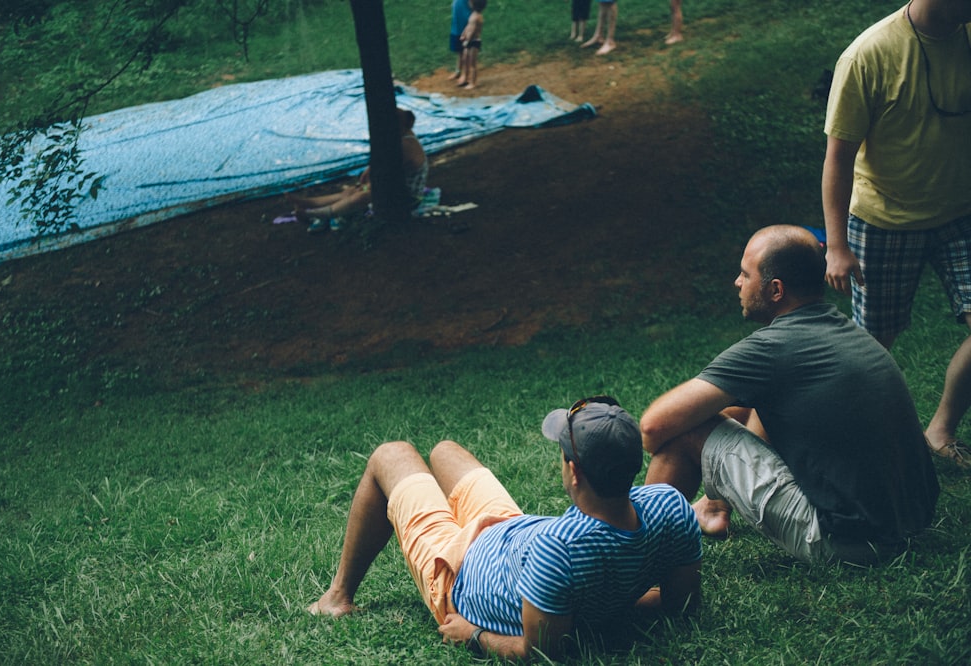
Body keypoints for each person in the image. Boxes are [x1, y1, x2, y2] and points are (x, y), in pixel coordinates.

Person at [309, 397, 702, 662]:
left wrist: (474, 634)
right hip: (512, 530)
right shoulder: (670, 506)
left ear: (574, 472)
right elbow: (678, 602)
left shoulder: (558, 551)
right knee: (445, 451)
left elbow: (539, 651)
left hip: (457, 572)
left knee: (390, 455)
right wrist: (621, 599)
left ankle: (338, 596)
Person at [639, 225, 939, 565]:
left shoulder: (772, 348)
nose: (737, 283)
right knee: (743, 400)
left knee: (688, 429)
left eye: (744, 274)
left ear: (776, 290)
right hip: (910, 522)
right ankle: (712, 509)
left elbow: (653, 428)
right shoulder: (844, 330)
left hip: (847, 543)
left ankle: (640, 555)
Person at [822, 0, 971, 468]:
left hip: (960, 214)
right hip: (884, 219)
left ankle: (940, 430)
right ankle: (846, 447)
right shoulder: (868, 54)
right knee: (872, 348)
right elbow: (838, 158)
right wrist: (837, 245)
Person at [286, 108, 428, 233]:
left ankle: (318, 213)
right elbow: (383, 166)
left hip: (408, 198)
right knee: (353, 191)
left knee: (361, 196)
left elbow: (388, 175)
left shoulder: (405, 147)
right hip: (396, 189)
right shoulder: (402, 139)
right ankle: (310, 203)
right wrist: (369, 172)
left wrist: (368, 185)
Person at [457, 0, 486, 89]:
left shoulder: (477, 17)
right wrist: (463, 34)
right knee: (466, 59)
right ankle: (466, 78)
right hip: (468, 41)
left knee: (472, 63)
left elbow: (473, 31)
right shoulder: (472, 14)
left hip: (474, 42)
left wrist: (467, 40)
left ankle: (473, 82)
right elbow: (468, 26)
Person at [448, 0, 473, 80]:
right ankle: (458, 72)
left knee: (467, 53)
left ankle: (466, 74)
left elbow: (475, 6)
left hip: (466, 27)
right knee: (460, 52)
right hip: (456, 28)